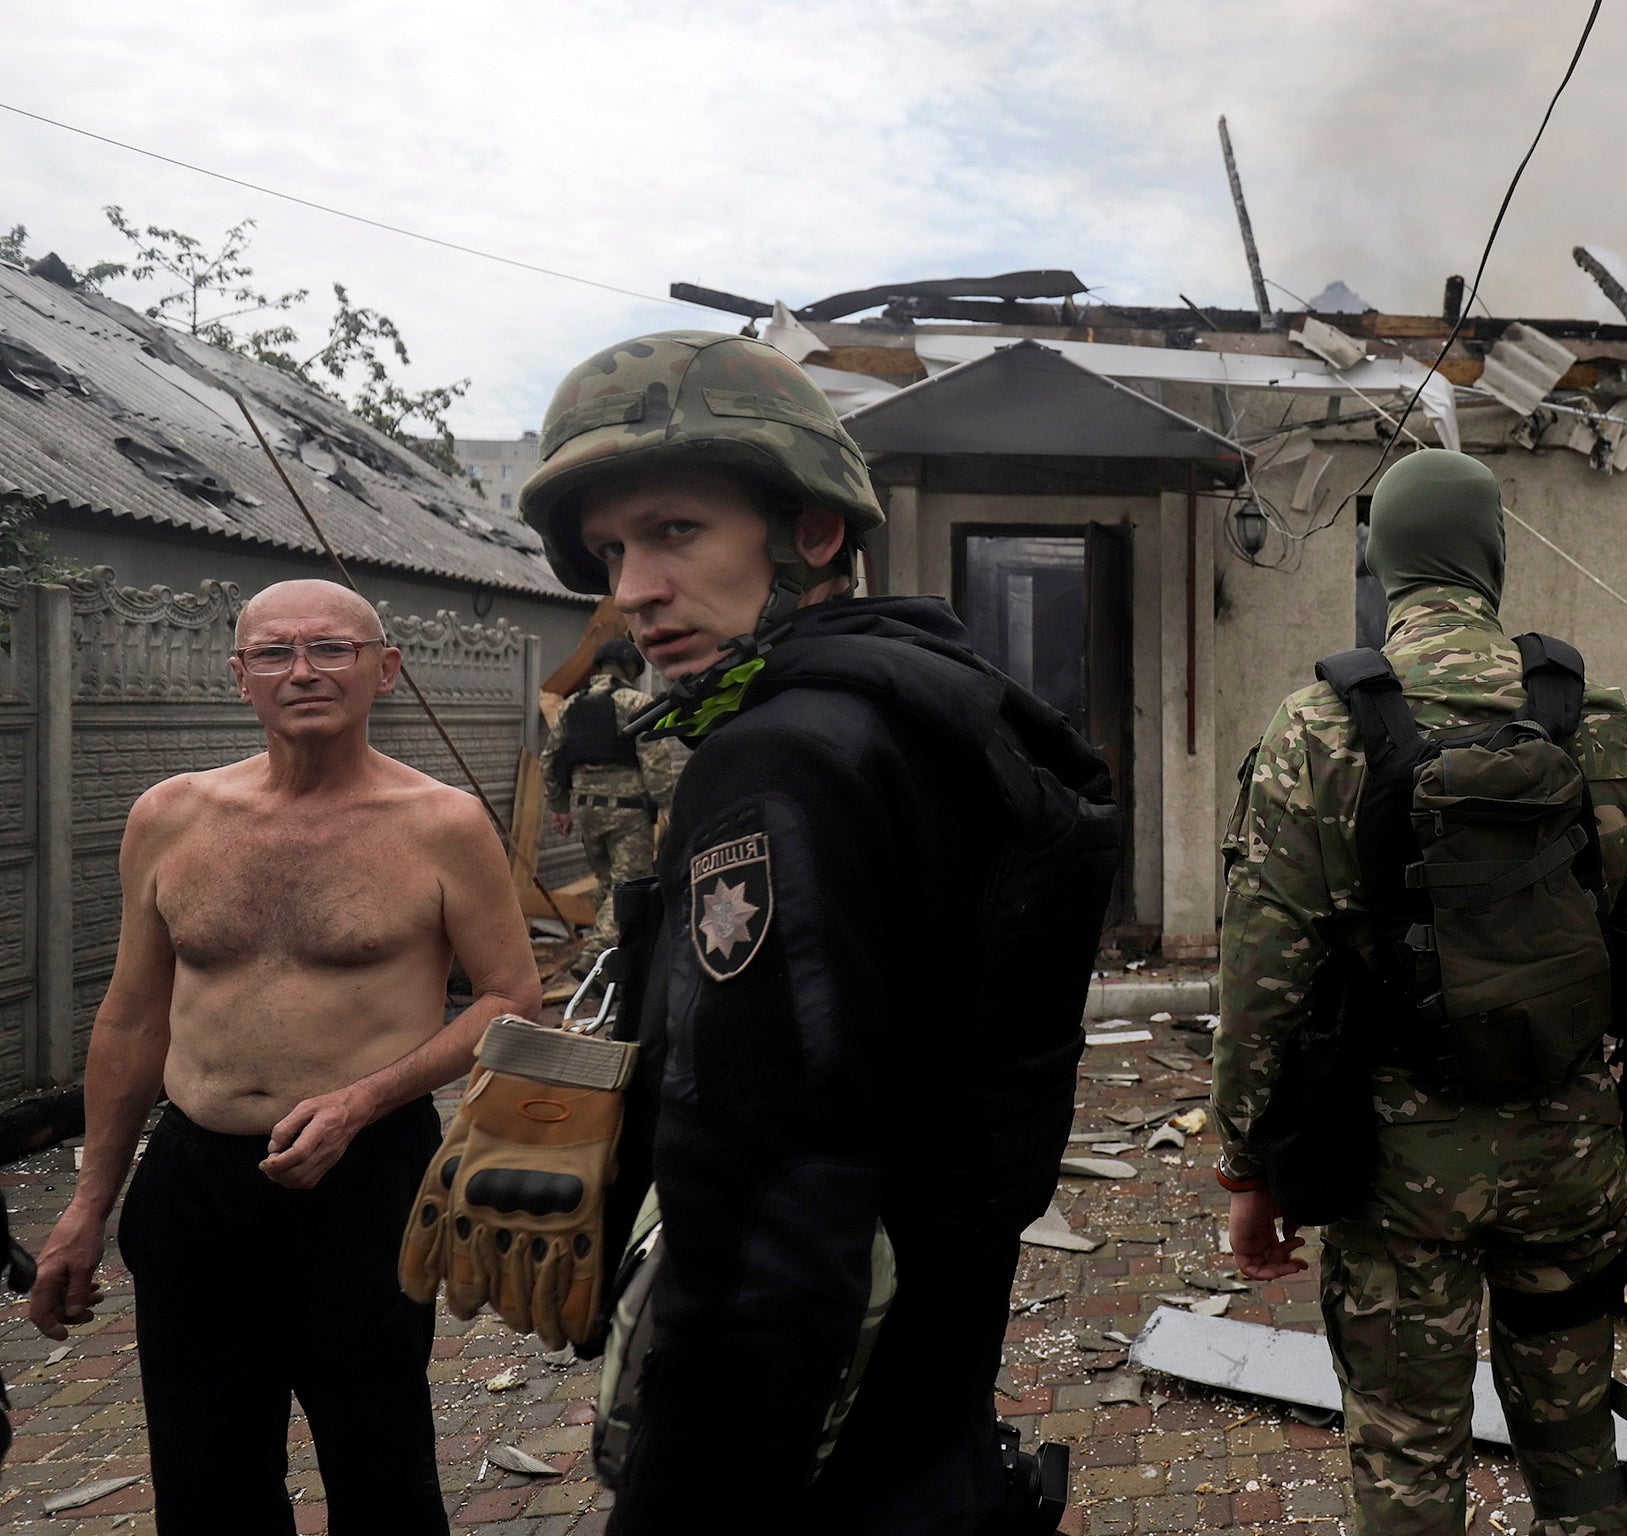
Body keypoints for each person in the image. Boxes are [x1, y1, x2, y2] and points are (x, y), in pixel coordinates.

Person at [513, 330, 1118, 1532]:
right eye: (611, 551)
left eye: (674, 531)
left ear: (812, 534)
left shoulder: (780, 761)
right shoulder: (928, 706)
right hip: (929, 1381)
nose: (631, 591)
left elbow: (769, 1189)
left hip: (811, 1436)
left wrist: (686, 1497)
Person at [1212, 450, 1627, 1536]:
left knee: (1405, 1459)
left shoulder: (1313, 730)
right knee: (1576, 1443)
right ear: (1492, 558)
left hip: (1396, 1180)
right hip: (1572, 1159)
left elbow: (1262, 973)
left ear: (1381, 563)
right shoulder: (1605, 720)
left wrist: (1247, 1170)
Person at [27, 578, 542, 1536]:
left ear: (383, 669)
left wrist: (362, 1100)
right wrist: (88, 1205)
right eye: (273, 653)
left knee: (380, 1470)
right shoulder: (171, 817)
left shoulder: (442, 825)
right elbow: (133, 1022)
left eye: (331, 649)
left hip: (365, 1180)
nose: (302, 671)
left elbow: (512, 1000)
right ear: (240, 677)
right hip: (195, 1181)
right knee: (205, 1479)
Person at [539, 636, 681, 976]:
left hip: (585, 808)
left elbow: (550, 759)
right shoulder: (636, 701)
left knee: (606, 883)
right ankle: (594, 960)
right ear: (632, 668)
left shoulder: (571, 706)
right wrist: (666, 803)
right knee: (629, 886)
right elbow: (655, 758)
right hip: (627, 811)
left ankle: (613, 959)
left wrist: (560, 807)